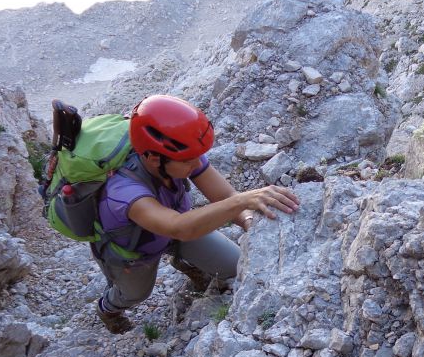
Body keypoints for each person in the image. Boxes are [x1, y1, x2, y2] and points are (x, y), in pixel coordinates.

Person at [93, 94, 300, 333]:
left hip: (177, 231)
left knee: (233, 264)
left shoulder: (179, 157)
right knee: (135, 293)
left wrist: (248, 220)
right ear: (152, 157)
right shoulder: (123, 192)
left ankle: (183, 260)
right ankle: (108, 308)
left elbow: (223, 197)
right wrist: (243, 200)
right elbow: (179, 226)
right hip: (135, 252)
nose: (196, 163)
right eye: (187, 161)